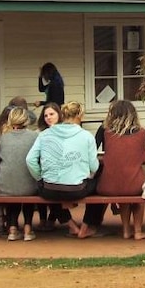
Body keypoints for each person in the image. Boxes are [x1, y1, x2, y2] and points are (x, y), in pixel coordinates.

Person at [25, 101, 98, 237]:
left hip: (49, 189)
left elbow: (30, 160)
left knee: (51, 186)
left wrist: (39, 177)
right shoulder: (87, 136)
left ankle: (72, 226)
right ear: (80, 115)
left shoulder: (44, 134)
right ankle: (86, 225)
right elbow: (94, 166)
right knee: (100, 189)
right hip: (77, 189)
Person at [94, 100, 145, 240]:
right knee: (137, 191)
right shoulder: (141, 133)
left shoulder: (106, 132)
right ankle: (138, 231)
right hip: (133, 186)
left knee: (123, 186)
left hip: (108, 185)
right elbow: (143, 157)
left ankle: (126, 230)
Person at [0, 107, 40, 242]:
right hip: (29, 186)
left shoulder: (3, 138)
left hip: (5, 185)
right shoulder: (34, 136)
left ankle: (13, 228)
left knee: (13, 186)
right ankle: (27, 228)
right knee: (28, 187)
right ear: (26, 120)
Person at [34, 101, 65, 231]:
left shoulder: (65, 131)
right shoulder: (39, 133)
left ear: (59, 114)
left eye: (52, 114)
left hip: (62, 170)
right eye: (46, 115)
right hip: (44, 170)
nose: (49, 118)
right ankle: (42, 219)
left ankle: (52, 219)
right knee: (39, 183)